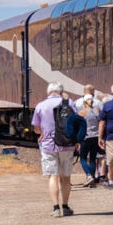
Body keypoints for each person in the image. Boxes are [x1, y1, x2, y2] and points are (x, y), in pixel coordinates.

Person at [30, 82, 77, 217]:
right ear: (62, 92)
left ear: (48, 92)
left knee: (53, 176)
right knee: (66, 178)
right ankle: (66, 206)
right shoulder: (70, 103)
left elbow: (36, 127)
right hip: (67, 144)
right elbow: (76, 122)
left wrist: (41, 134)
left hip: (48, 145)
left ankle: (56, 208)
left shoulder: (41, 105)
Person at [78, 88, 103, 186]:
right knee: (93, 158)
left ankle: (89, 175)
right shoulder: (96, 111)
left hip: (85, 137)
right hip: (95, 136)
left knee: (83, 158)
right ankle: (92, 179)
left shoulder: (82, 112)